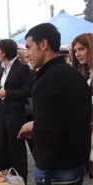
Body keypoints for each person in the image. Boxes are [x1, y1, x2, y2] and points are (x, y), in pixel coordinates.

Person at [18, 23, 92, 185]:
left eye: (29, 47)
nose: (27, 54)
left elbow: (49, 131)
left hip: (55, 168)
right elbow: (70, 118)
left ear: (43, 44)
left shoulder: (46, 80)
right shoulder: (75, 75)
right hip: (76, 163)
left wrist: (34, 127)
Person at [0, 39, 33, 183]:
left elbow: (28, 90)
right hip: (1, 110)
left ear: (5, 51)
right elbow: (2, 84)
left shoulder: (22, 68)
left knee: (16, 147)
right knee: (1, 145)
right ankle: (6, 177)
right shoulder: (2, 67)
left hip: (15, 112)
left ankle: (20, 179)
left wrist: (7, 93)